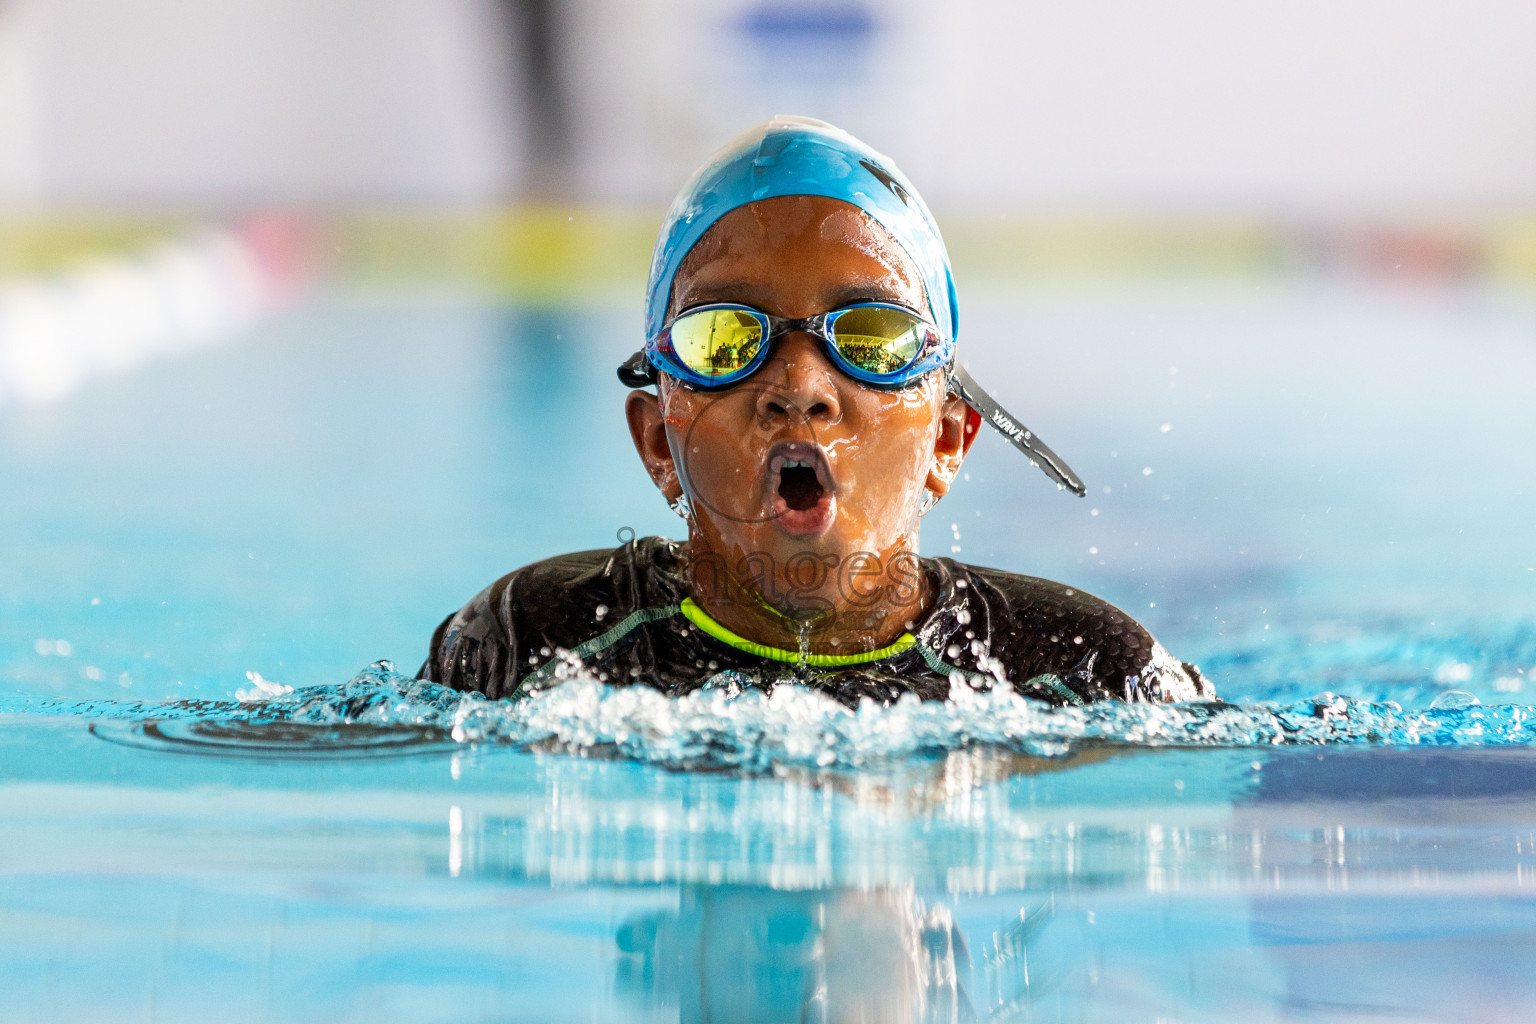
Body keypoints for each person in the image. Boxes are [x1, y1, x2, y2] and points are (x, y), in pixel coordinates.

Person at [418, 116, 1211, 707]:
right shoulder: (532, 645)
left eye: (871, 336)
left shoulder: (1081, 667)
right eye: (726, 339)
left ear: (946, 440)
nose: (800, 386)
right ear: (659, 441)